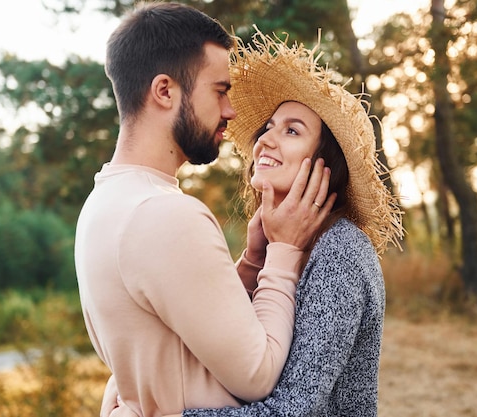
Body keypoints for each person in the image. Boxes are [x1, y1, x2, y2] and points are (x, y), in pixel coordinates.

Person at [103, 29, 404, 417]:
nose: (265, 140)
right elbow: (227, 348)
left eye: (292, 130)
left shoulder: (340, 251)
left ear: (325, 167)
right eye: (268, 127)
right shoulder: (279, 243)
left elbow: (292, 410)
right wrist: (253, 261)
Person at [74, 3, 336, 417]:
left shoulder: (102, 204)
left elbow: (173, 337)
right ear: (165, 91)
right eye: (220, 90)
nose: (231, 111)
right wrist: (284, 251)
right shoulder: (165, 214)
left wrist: (252, 262)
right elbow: (257, 374)